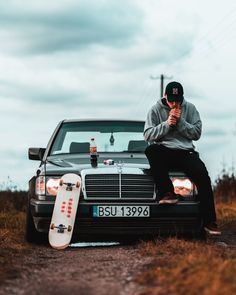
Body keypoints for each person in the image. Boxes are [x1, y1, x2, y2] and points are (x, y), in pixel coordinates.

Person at [143, 81, 221, 235]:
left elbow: (197, 133)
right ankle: (167, 193)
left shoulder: (190, 108)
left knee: (202, 175)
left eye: (177, 100)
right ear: (165, 96)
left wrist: (180, 123)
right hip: (164, 150)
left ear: (182, 98)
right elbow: (148, 135)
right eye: (171, 100)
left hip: (185, 151)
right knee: (151, 150)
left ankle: (209, 221)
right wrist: (166, 124)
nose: (174, 103)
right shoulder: (155, 110)